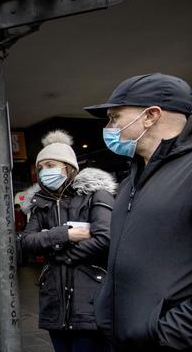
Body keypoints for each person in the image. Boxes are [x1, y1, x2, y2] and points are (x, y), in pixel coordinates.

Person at [84, 73, 192, 351]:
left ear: (151, 115)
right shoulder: (131, 181)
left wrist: (166, 334)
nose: (109, 127)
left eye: (114, 117)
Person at [20, 130, 116, 352]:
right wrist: (67, 234)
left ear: (69, 168)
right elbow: (26, 241)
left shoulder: (96, 195)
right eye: (40, 167)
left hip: (90, 299)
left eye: (51, 165)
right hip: (54, 303)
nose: (45, 172)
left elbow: (106, 238)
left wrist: (59, 251)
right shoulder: (41, 204)